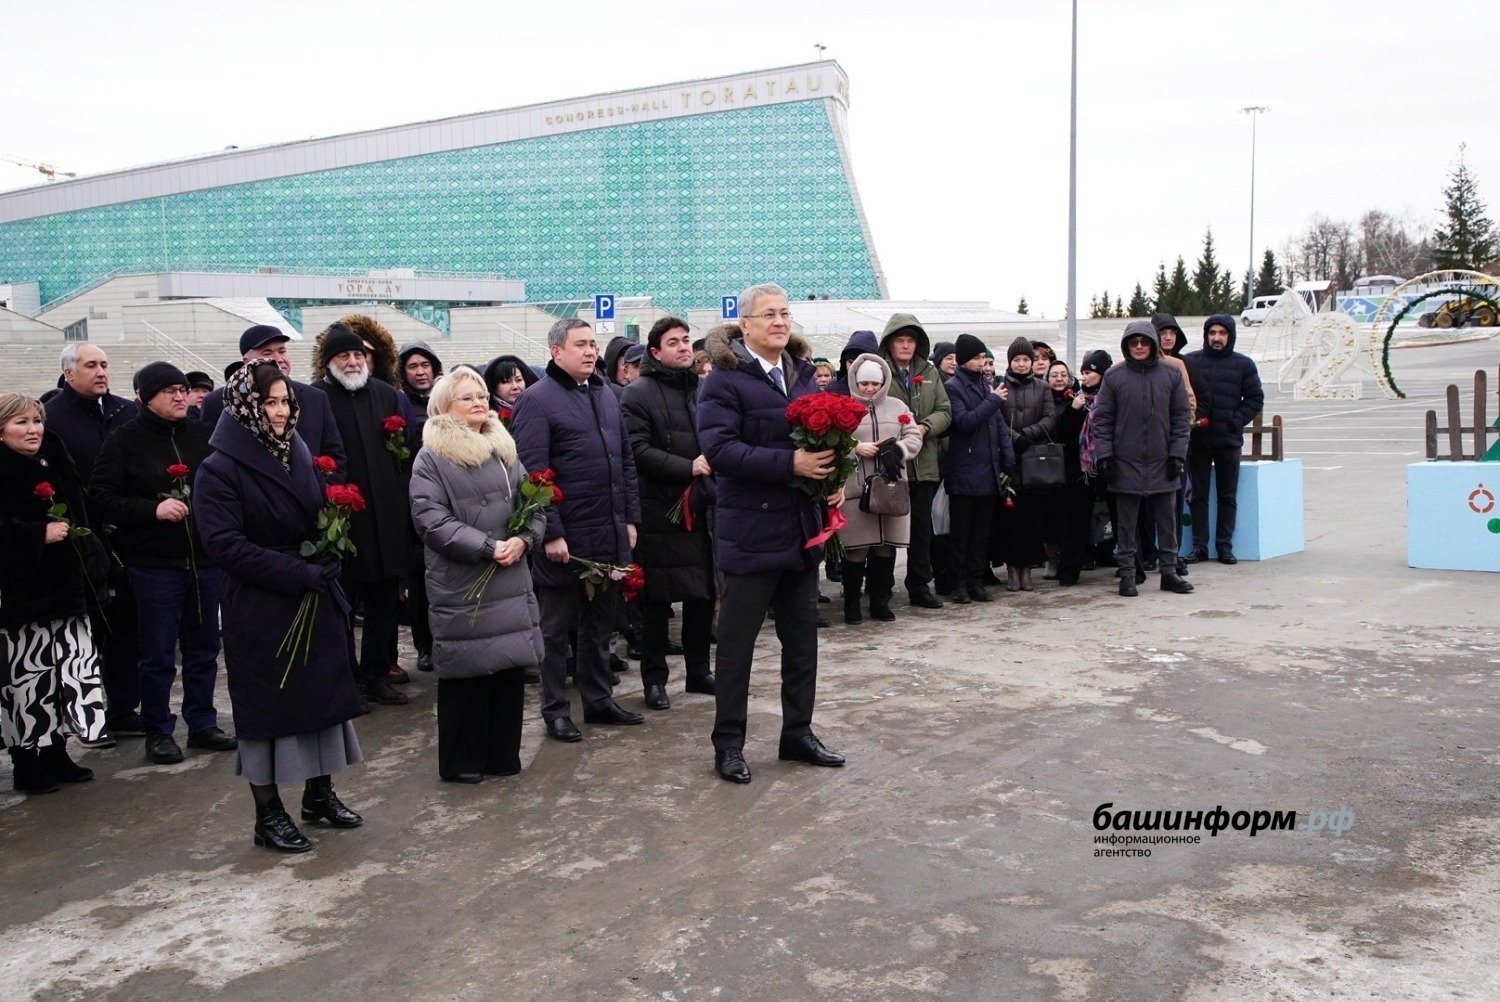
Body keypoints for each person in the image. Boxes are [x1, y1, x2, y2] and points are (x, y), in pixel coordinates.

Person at [195, 360, 365, 853]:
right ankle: (267, 814)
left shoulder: (298, 449)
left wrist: (330, 545)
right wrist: (300, 572)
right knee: (269, 709)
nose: (279, 411)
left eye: (285, 401)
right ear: (244, 405)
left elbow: (313, 511)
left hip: (312, 593)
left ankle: (319, 794)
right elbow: (224, 545)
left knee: (321, 698)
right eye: (268, 402)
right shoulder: (219, 467)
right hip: (263, 605)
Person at [697, 282, 846, 784]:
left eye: (785, 313)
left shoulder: (802, 376)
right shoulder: (724, 381)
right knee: (738, 646)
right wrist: (792, 464)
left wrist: (833, 480)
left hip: (801, 529)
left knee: (802, 640)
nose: (779, 322)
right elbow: (721, 453)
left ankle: (797, 733)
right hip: (750, 531)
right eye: (768, 315)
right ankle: (729, 743)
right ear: (745, 326)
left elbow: (824, 442)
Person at [90, 362, 236, 765]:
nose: (179, 396)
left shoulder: (203, 434)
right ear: (144, 397)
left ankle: (203, 722)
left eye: (183, 389)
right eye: (169, 390)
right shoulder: (124, 441)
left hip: (204, 561)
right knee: (156, 654)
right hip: (154, 564)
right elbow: (101, 496)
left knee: (205, 646)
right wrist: (151, 509)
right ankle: (158, 728)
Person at [510, 318, 644, 742]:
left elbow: (624, 463)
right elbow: (532, 474)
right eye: (581, 345)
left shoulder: (605, 394)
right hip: (564, 537)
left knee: (600, 623)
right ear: (556, 352)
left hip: (606, 530)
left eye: (593, 344)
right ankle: (555, 709)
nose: (590, 351)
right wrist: (550, 532)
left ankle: (598, 699)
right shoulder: (536, 401)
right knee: (555, 628)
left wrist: (629, 520)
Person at [409, 369, 544, 782]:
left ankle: (501, 755)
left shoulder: (504, 449)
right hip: (464, 577)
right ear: (444, 407)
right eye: (467, 398)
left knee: (506, 665)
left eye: (482, 395)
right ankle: (462, 761)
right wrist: (487, 547)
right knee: (466, 669)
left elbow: (533, 503)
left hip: (509, 572)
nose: (479, 403)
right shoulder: (432, 457)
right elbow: (431, 520)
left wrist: (524, 538)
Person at [0, 393, 111, 793]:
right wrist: (36, 535)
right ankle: (27, 760)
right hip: (23, 600)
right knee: (27, 682)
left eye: (36, 421)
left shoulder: (52, 456)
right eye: (20, 423)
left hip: (66, 590)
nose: (32, 429)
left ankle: (56, 750)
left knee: (66, 675)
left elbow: (79, 505)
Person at [312, 321, 415, 707]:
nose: (353, 361)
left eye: (358, 354)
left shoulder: (386, 394)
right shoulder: (315, 397)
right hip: (342, 518)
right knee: (342, 605)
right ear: (329, 362)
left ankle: (375, 674)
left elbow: (401, 451)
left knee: (384, 603)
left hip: (385, 515)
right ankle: (346, 679)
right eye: (344, 355)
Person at [621, 316, 717, 710]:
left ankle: (699, 672)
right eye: (673, 342)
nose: (683, 347)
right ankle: (655, 680)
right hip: (660, 510)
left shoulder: (706, 389)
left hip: (703, 509)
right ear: (655, 353)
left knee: (700, 595)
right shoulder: (638, 394)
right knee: (657, 602)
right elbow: (637, 451)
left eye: (686, 340)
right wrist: (688, 467)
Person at [44, 344, 139, 743]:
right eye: (91, 365)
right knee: (85, 635)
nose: (101, 371)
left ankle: (121, 707)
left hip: (128, 538)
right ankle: (81, 715)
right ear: (68, 373)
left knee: (125, 627)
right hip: (79, 542)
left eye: (104, 364)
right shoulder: (52, 417)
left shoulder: (124, 411)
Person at [1091, 321, 1194, 597]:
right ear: (1126, 345)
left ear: (1153, 344)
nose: (1138, 346)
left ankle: (1169, 573)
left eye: (1144, 341)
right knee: (1126, 525)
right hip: (1125, 464)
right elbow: (1102, 421)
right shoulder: (1114, 377)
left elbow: (1181, 419)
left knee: (1167, 523)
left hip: (1164, 463)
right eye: (1133, 342)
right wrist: (1105, 457)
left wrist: (1177, 454)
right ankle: (1127, 575)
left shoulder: (1171, 375)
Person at [837, 354, 923, 623]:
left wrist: (897, 450)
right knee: (857, 549)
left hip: (890, 487)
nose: (870, 389)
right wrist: (854, 448)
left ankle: (880, 601)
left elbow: (913, 435)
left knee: (886, 547)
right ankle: (851, 602)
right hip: (855, 487)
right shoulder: (844, 407)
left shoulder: (897, 405)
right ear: (855, 382)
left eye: (875, 383)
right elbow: (832, 440)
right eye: (864, 383)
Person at [200, 325, 347, 477]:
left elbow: (335, 456)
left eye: (282, 351)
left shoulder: (315, 398)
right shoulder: (219, 402)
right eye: (267, 352)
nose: (279, 359)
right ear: (246, 361)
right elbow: (210, 459)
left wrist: (323, 493)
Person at [877, 313, 952, 610]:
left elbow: (945, 410)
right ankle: (880, 589)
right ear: (890, 343)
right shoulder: (880, 372)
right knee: (888, 530)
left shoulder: (930, 372)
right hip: (892, 464)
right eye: (900, 340)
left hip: (925, 465)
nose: (906, 346)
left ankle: (919, 586)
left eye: (911, 341)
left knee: (922, 531)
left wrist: (924, 427)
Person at [1184, 313, 1264, 565]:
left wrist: (1235, 420)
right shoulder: (1191, 361)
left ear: (1230, 336)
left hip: (1228, 440)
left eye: (1222, 333)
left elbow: (1254, 399)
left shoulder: (1244, 364)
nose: (1216, 338)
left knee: (1227, 496)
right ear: (1206, 335)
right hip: (1198, 439)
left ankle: (1224, 546)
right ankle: (1199, 547)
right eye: (1212, 333)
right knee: (1198, 496)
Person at [942, 335, 1015, 604]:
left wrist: (1008, 460)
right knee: (961, 533)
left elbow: (999, 428)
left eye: (982, 357)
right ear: (963, 360)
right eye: (975, 358)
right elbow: (964, 422)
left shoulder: (986, 386)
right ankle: (958, 583)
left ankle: (975, 580)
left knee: (981, 534)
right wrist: (993, 400)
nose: (981, 362)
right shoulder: (953, 388)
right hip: (964, 472)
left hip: (988, 471)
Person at [995, 337, 1057, 592]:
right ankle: (1011, 569)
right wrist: (1013, 437)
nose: (1021, 364)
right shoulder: (999, 385)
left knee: (1031, 518)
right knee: (1010, 518)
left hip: (1033, 458)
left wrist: (1028, 435)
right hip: (1007, 458)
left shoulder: (1042, 387)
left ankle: (1027, 570)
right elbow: (996, 417)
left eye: (1026, 360)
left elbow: (1050, 417)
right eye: (1017, 360)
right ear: (1010, 362)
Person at [397, 341, 443, 674]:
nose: (420, 371)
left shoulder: (444, 402)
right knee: (420, 582)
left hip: (449, 499)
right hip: (414, 503)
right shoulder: (400, 406)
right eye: (413, 366)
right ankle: (424, 645)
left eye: (425, 364)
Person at [1048, 359, 1095, 587]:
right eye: (1054, 375)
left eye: (1063, 375)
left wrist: (1075, 408)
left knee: (1077, 521)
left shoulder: (1080, 399)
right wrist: (1072, 410)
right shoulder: (1044, 400)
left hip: (1078, 469)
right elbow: (1056, 431)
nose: (1059, 379)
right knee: (1058, 522)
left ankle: (1071, 568)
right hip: (1051, 469)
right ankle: (1056, 562)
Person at [483, 354, 539, 422]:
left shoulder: (539, 409)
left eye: (518, 380)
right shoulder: (485, 418)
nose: (515, 387)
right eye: (506, 382)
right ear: (494, 387)